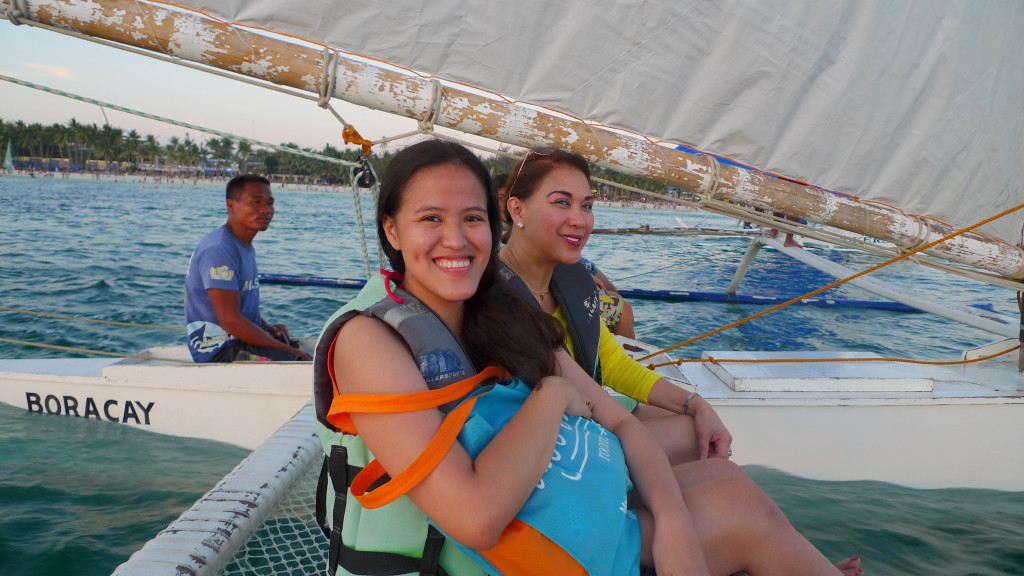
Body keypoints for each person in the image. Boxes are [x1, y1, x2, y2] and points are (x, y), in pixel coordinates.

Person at [314, 138, 854, 576]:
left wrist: (675, 527)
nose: (455, 239)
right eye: (430, 218)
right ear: (392, 229)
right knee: (743, 521)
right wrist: (553, 394)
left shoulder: (504, 314)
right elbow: (475, 520)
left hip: (565, 516)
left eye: (472, 219)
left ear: (493, 224)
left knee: (733, 488)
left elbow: (619, 418)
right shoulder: (371, 340)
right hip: (488, 557)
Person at [184, 174, 311, 362]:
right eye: (256, 202)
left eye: (269, 203)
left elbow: (238, 309)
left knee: (309, 351)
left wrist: (266, 327)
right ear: (231, 205)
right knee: (301, 361)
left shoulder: (242, 246)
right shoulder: (219, 249)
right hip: (220, 351)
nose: (265, 210)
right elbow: (229, 320)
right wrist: (285, 349)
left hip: (238, 340)